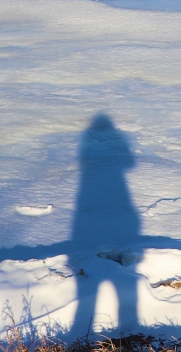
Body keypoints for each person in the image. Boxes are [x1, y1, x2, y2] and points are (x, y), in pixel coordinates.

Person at [67, 114, 141, 338]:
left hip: (91, 214)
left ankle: (83, 335)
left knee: (88, 294)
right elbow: (130, 162)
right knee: (124, 286)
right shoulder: (110, 147)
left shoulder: (87, 148)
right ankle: (128, 332)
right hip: (115, 211)